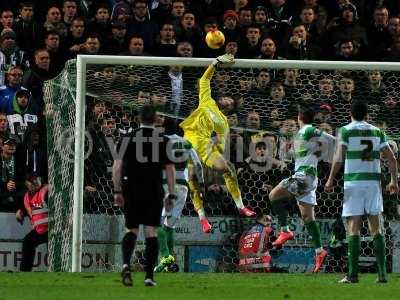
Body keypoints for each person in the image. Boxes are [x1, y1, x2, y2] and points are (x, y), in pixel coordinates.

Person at [179, 54, 256, 234]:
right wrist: (216, 63)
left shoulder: (223, 123)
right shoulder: (207, 101)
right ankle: (202, 217)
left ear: (231, 107)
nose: (227, 99)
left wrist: (214, 159)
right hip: (189, 139)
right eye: (226, 97)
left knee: (227, 169)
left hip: (206, 145)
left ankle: (240, 206)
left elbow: (221, 143)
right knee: (192, 180)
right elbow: (205, 79)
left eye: (231, 100)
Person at [325, 101, 399, 283]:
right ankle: (382, 275)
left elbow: (339, 156)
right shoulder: (377, 131)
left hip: (354, 183)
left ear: (350, 114)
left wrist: (330, 179)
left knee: (353, 228)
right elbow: (391, 158)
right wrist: (393, 181)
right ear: (367, 115)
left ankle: (352, 275)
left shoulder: (346, 130)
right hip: (373, 183)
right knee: (377, 228)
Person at [112, 105, 176, 287]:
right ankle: (148, 276)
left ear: (139, 119)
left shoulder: (126, 138)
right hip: (153, 190)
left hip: (130, 189)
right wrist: (171, 194)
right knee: (151, 232)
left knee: (131, 230)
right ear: (155, 119)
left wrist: (117, 191)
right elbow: (170, 169)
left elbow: (117, 167)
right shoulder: (163, 140)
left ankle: (125, 265)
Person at [269, 104, 335, 273]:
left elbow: (329, 138)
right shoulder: (303, 136)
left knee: (274, 195)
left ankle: (285, 231)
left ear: (299, 118)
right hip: (310, 178)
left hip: (304, 176)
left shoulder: (307, 130)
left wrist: (341, 143)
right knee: (307, 218)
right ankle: (319, 251)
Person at [154, 118, 203, 273]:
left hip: (165, 185)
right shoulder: (187, 143)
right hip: (183, 187)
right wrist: (200, 184)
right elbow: (198, 166)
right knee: (170, 225)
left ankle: (166, 255)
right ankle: (169, 264)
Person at [15, 173, 49, 271]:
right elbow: (28, 209)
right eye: (32, 180)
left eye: (37, 179)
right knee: (27, 242)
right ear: (27, 184)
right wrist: (20, 212)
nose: (35, 182)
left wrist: (68, 216)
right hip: (39, 230)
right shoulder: (26, 196)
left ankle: (58, 271)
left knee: (54, 251)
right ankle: (25, 272)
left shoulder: (46, 191)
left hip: (53, 229)